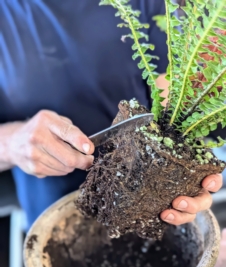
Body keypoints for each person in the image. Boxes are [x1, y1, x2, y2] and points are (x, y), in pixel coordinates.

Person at [0, 0, 223, 250]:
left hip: (151, 202)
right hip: (57, 216)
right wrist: (11, 142)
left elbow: (167, 85)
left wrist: (180, 169)